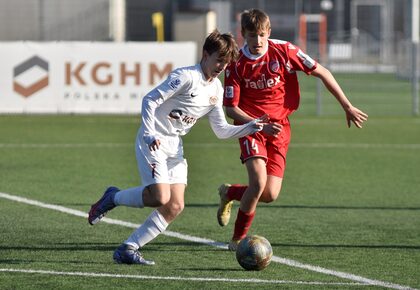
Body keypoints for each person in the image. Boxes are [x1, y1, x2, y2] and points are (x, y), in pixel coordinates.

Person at [88, 29, 267, 265]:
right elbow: (150, 99)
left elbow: (221, 130)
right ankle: (113, 197)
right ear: (205, 54)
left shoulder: (215, 89)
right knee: (160, 197)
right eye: (219, 60)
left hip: (174, 147)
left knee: (175, 205)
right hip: (153, 140)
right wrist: (150, 132)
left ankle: (128, 248)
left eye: (226, 62)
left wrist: (251, 127)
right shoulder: (186, 76)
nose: (222, 66)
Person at [217, 9, 369, 251]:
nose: (257, 41)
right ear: (243, 35)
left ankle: (230, 192)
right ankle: (237, 240)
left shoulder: (285, 51)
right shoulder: (236, 64)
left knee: (269, 194)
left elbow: (322, 72)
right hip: (250, 128)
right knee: (257, 183)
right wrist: (258, 125)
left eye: (261, 35)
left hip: (279, 129)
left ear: (269, 33)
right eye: (251, 36)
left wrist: (347, 105)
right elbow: (231, 109)